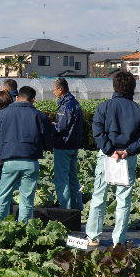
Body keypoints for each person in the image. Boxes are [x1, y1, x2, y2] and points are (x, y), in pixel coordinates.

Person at [86, 70, 140, 247]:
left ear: (114, 86)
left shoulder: (103, 107)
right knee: (123, 200)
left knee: (99, 196)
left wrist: (110, 150)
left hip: (107, 156)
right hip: (128, 158)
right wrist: (127, 151)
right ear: (133, 88)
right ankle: (119, 240)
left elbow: (97, 132)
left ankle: (93, 237)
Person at [0, 86, 52, 223]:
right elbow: (47, 138)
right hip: (31, 161)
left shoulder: (2, 114)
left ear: (17, 97)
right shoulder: (40, 116)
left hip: (10, 160)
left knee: (3, 197)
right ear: (33, 100)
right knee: (27, 200)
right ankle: (23, 229)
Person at [52, 77, 84, 210]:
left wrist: (51, 126)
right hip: (74, 145)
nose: (53, 92)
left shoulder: (65, 106)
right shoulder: (75, 103)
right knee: (73, 178)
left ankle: (65, 209)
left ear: (61, 89)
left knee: (61, 179)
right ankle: (77, 208)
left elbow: (61, 128)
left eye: (54, 90)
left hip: (63, 145)